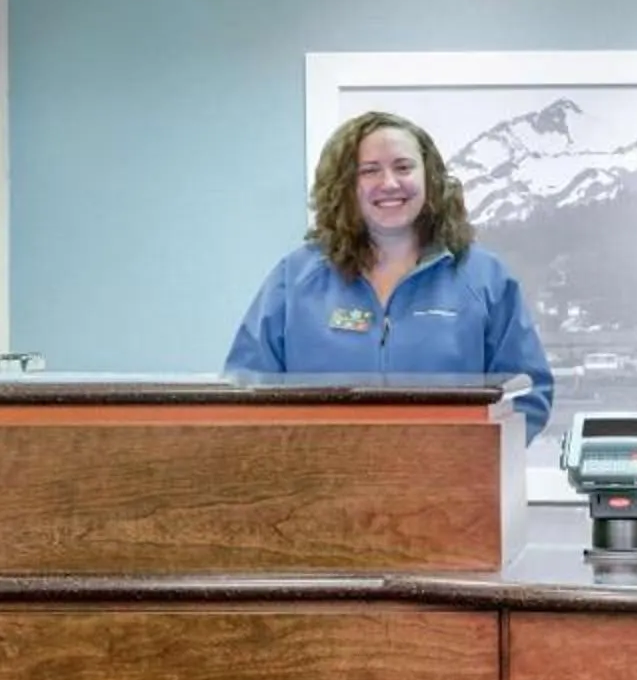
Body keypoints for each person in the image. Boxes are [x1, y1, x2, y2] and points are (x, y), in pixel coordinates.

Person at [226, 110, 554, 440]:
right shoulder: (295, 278)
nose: (389, 184)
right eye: (369, 171)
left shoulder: (484, 277)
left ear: (430, 178)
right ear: (344, 185)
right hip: (318, 473)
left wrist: (467, 460)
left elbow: (528, 395)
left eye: (403, 167)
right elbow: (244, 393)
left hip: (450, 473)